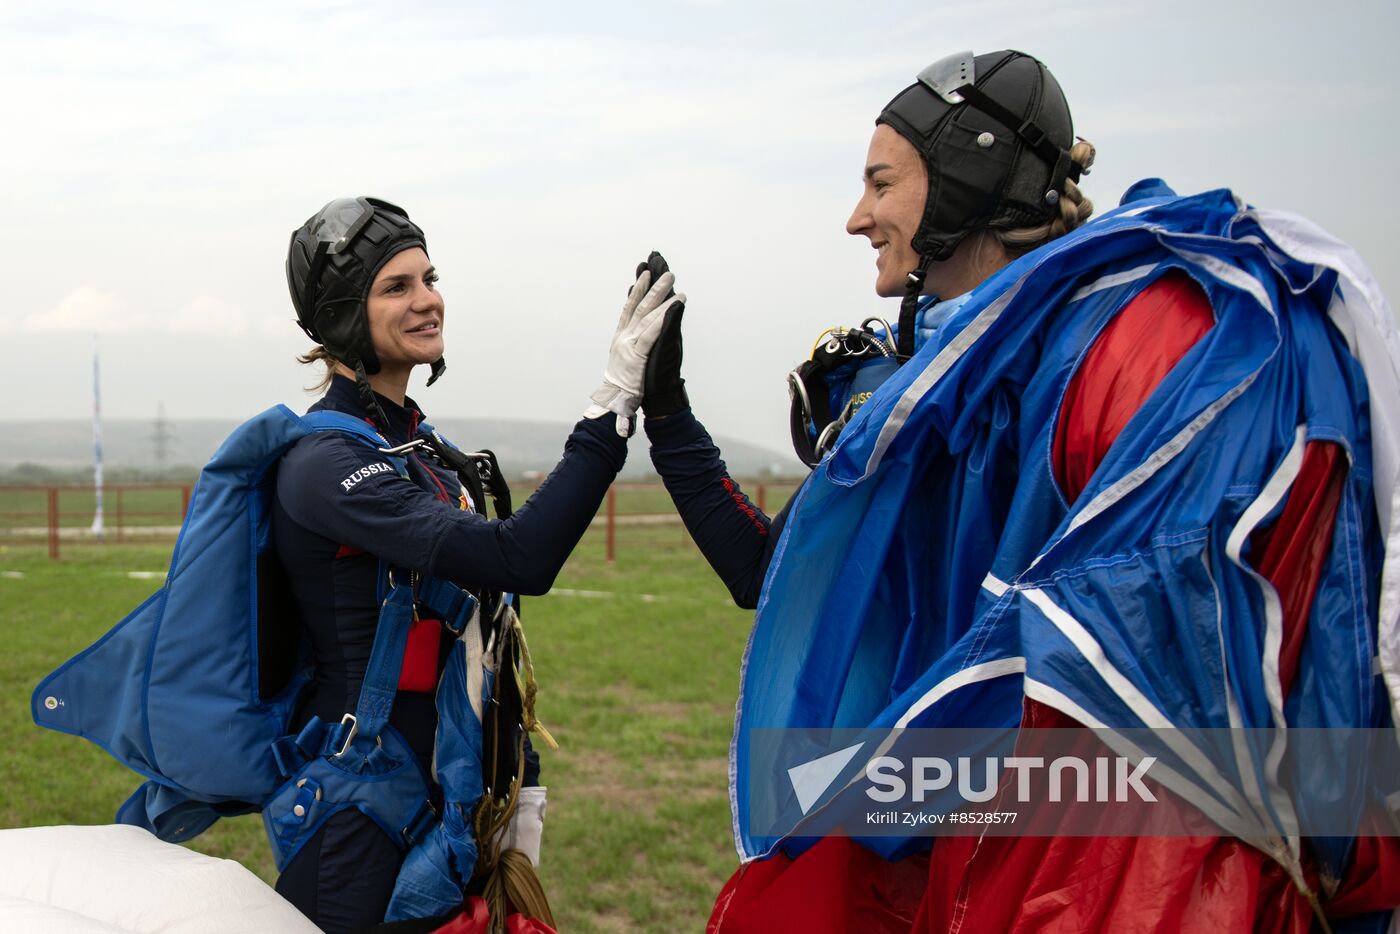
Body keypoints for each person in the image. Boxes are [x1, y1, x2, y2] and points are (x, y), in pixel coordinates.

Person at [638, 52, 1400, 931]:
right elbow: (777, 577)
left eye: (881, 184)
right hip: (963, 843)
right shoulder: (952, 385)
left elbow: (1154, 708)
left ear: (965, 173)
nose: (858, 217)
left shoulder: (1128, 350)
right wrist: (669, 416)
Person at [273, 196, 682, 932]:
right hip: (362, 819)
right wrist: (614, 405)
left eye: (429, 278)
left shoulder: (418, 450)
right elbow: (519, 556)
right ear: (340, 313)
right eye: (397, 287)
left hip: (453, 794)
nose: (429, 300)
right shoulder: (325, 464)